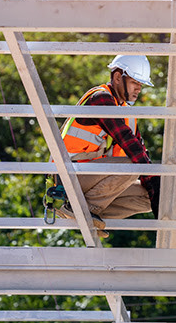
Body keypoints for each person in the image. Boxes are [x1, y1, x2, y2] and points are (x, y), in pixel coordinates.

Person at [55, 55, 160, 238]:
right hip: (70, 179)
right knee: (134, 164)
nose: (138, 89)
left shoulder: (125, 111)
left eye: (141, 84)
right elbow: (131, 146)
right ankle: (82, 209)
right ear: (118, 77)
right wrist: (152, 177)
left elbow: (142, 151)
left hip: (92, 180)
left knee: (149, 197)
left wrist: (156, 188)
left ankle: (93, 218)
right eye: (135, 82)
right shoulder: (100, 98)